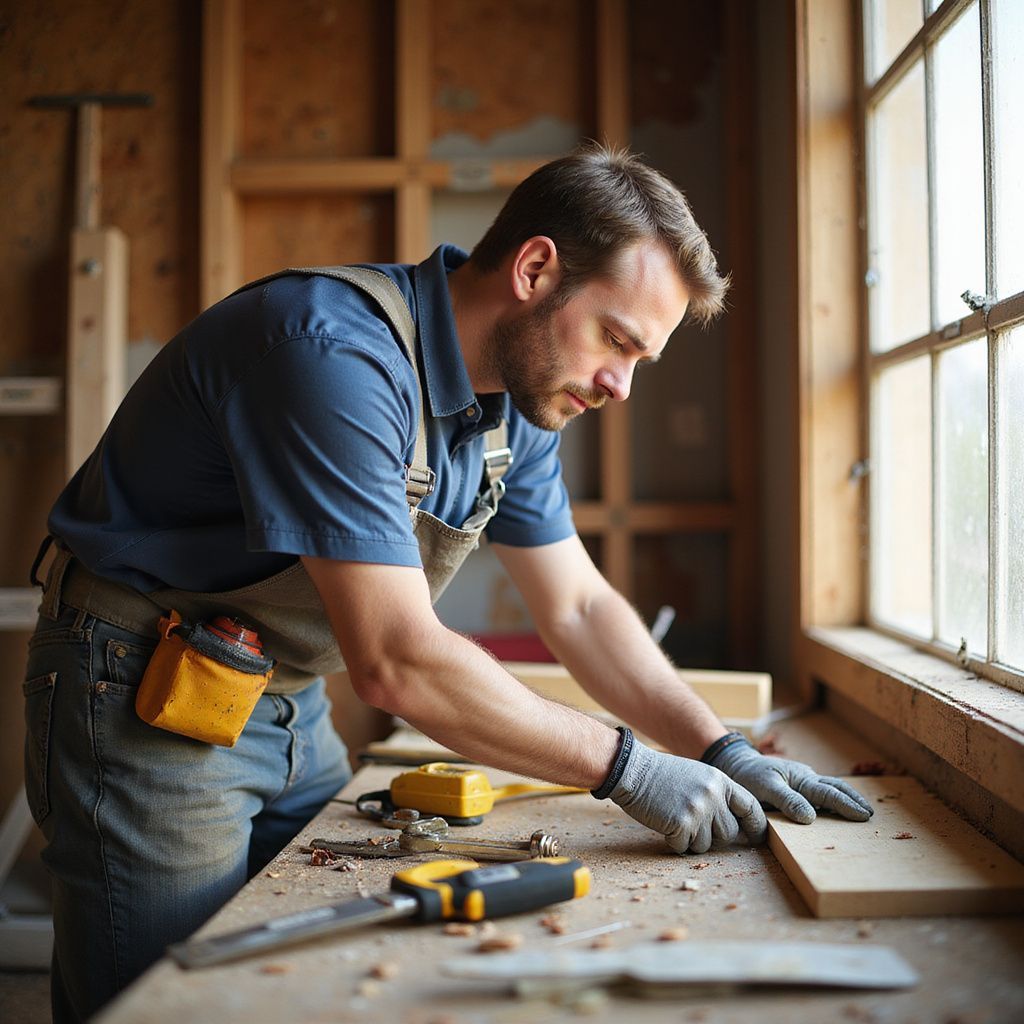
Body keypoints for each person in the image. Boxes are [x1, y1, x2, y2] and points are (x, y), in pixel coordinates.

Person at [24, 144, 873, 1021]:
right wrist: (628, 768)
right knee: (167, 1004)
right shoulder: (331, 354)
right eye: (617, 340)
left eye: (640, 361)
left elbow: (578, 607)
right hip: (138, 686)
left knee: (311, 968)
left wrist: (714, 746)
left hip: (279, 694)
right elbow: (397, 661)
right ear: (536, 269)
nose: (621, 385)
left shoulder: (522, 400)